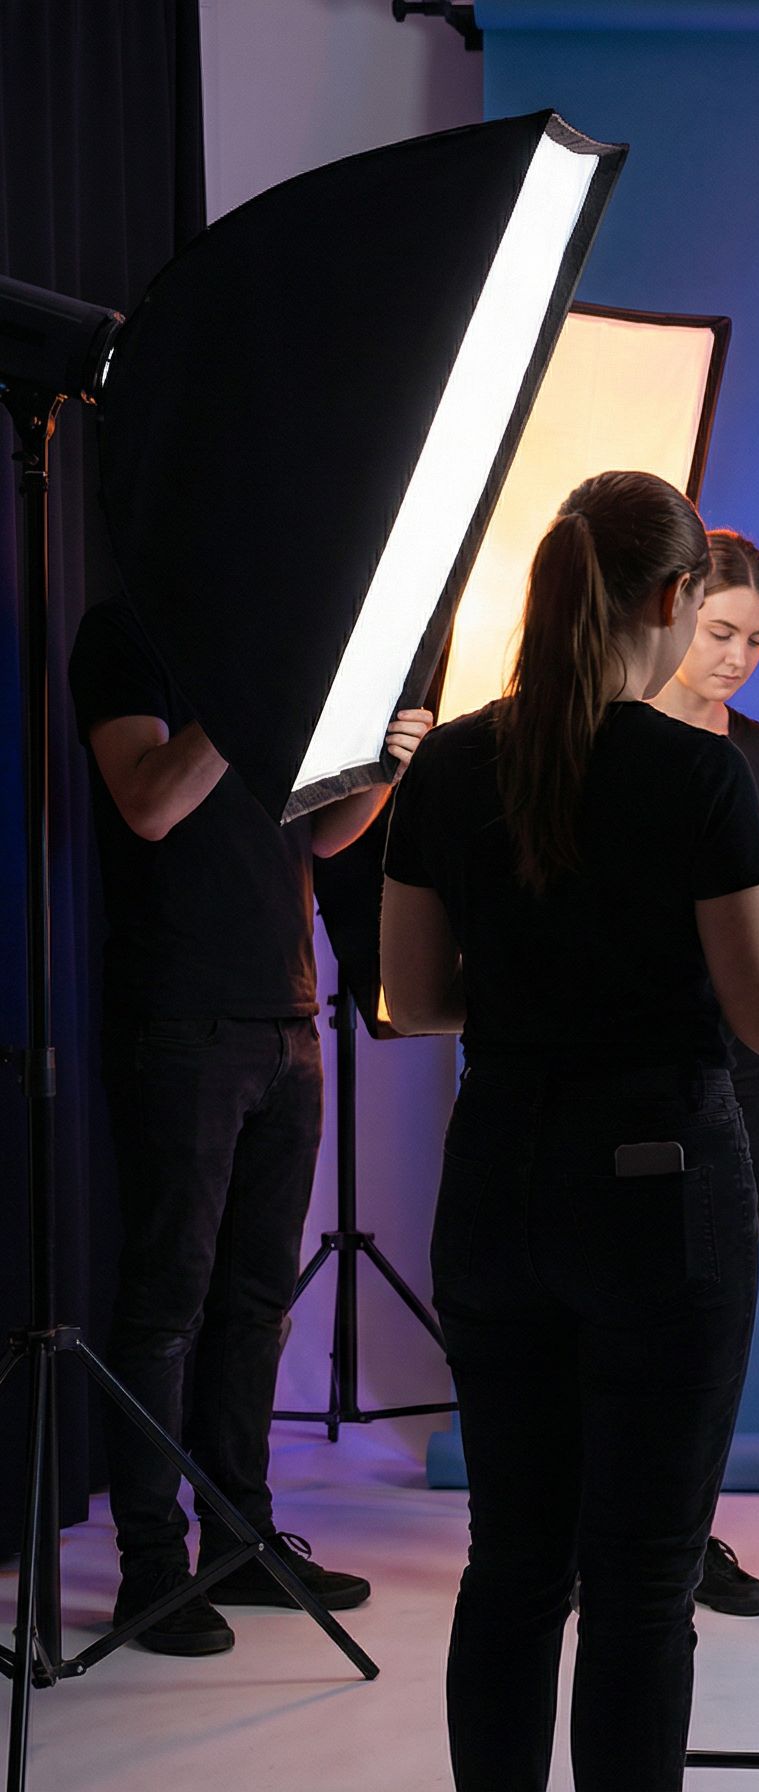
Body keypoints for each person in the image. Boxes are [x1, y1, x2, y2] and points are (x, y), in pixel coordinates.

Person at [380, 469, 759, 1792]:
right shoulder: (698, 775)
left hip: (496, 1191)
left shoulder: (450, 761)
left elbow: (419, 999)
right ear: (676, 598)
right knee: (639, 1576)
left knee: (512, 1559)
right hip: (660, 1202)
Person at [70, 598, 422, 1655]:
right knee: (167, 1296)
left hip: (287, 1012)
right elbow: (147, 803)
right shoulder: (130, 631)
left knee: (258, 1299)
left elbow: (318, 829)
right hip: (180, 1014)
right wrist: (251, 690)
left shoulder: (271, 636)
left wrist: (381, 767)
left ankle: (240, 1538)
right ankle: (152, 1571)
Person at [647, 526, 759, 1617]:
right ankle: (592, 1537)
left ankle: (683, 1533)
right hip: (635, 1061)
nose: (738, 657)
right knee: (621, 1311)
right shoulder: (609, 746)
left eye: (757, 641)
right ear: (672, 610)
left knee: (715, 1311)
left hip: (747, 1065)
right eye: (721, 632)